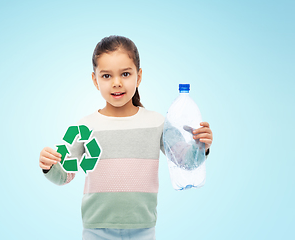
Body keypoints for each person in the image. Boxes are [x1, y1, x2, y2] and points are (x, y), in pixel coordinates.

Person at [39, 35, 213, 240]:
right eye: (106, 76)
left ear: (138, 76)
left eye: (125, 74)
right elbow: (64, 175)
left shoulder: (157, 123)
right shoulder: (83, 126)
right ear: (95, 80)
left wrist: (201, 145)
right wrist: (48, 165)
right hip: (96, 229)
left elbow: (186, 161)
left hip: (143, 229)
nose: (117, 83)